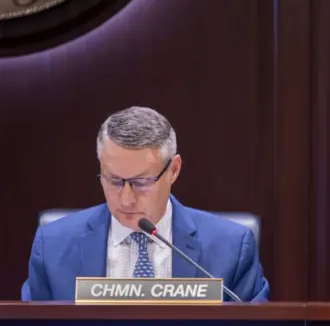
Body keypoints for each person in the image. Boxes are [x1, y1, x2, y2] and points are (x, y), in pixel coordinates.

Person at [23, 106, 269, 302]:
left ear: (174, 170)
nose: (126, 199)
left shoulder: (231, 247)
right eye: (114, 181)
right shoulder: (53, 247)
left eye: (141, 183)